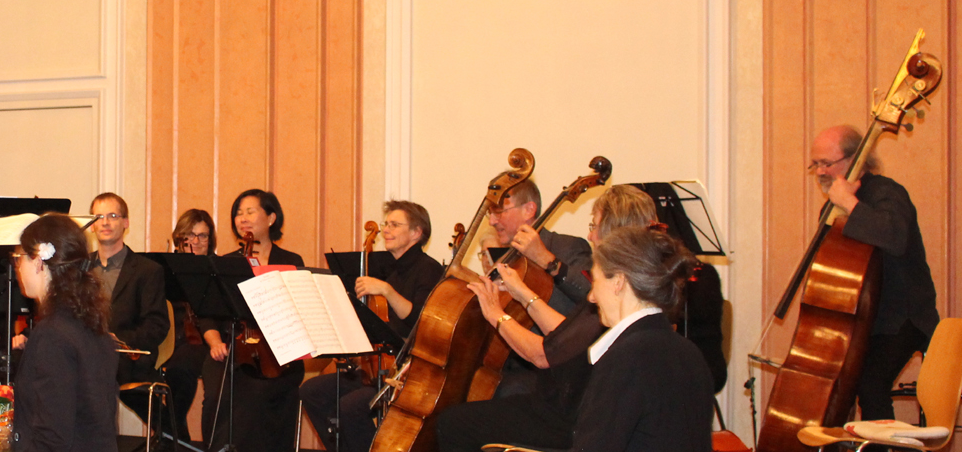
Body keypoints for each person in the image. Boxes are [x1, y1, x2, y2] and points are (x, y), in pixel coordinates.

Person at [438, 184, 661, 452]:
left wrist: (496, 314)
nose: (590, 234)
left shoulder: (614, 289)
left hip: (572, 413)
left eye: (595, 225)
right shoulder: (624, 285)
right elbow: (566, 333)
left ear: (614, 230)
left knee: (452, 423)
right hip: (563, 399)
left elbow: (544, 354)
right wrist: (521, 292)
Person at [811, 124, 939, 419]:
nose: (820, 172)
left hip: (903, 317)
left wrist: (850, 203)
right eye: (815, 164)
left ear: (856, 158)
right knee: (832, 381)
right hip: (860, 319)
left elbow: (894, 238)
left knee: (869, 384)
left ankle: (879, 441)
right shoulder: (830, 211)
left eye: (826, 163)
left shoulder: (888, 193)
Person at [299, 201, 441, 452]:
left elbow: (420, 319)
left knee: (351, 407)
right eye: (386, 224)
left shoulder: (428, 269)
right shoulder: (393, 271)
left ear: (416, 233)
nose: (386, 230)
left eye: (395, 225)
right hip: (377, 367)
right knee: (312, 391)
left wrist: (386, 290)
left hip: (407, 372)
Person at [564, 225, 712, 451]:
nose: (591, 297)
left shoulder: (624, 358)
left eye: (595, 280)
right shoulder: (690, 353)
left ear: (618, 282)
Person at [200, 189, 304, 452]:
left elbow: (298, 312)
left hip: (277, 352)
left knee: (257, 393)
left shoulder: (290, 261)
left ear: (271, 218)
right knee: (216, 396)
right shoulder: (226, 263)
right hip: (229, 348)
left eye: (250, 211)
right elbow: (207, 313)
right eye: (238, 213)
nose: (242, 218)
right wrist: (214, 342)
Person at [10, 214, 120, 452]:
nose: (17, 267)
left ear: (38, 262)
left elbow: (52, 437)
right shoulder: (91, 324)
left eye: (19, 258)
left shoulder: (52, 335)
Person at [480, 177, 593, 397]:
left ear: (528, 210)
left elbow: (592, 296)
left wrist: (548, 261)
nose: (492, 221)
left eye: (499, 212)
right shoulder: (505, 258)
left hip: (553, 373)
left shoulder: (566, 247)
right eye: (489, 213)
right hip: (508, 367)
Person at [89, 192, 171, 425]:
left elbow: (157, 325)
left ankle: (170, 436)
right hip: (85, 354)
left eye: (113, 216)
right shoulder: (79, 268)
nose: (105, 222)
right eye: (99, 217)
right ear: (92, 225)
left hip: (127, 358)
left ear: (125, 223)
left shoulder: (148, 271)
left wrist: (119, 341)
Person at [163, 208, 216, 444]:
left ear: (210, 239)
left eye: (202, 236)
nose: (196, 241)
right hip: (168, 338)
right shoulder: (166, 268)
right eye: (190, 235)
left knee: (180, 366)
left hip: (201, 341)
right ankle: (174, 433)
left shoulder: (216, 268)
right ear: (180, 238)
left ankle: (172, 435)